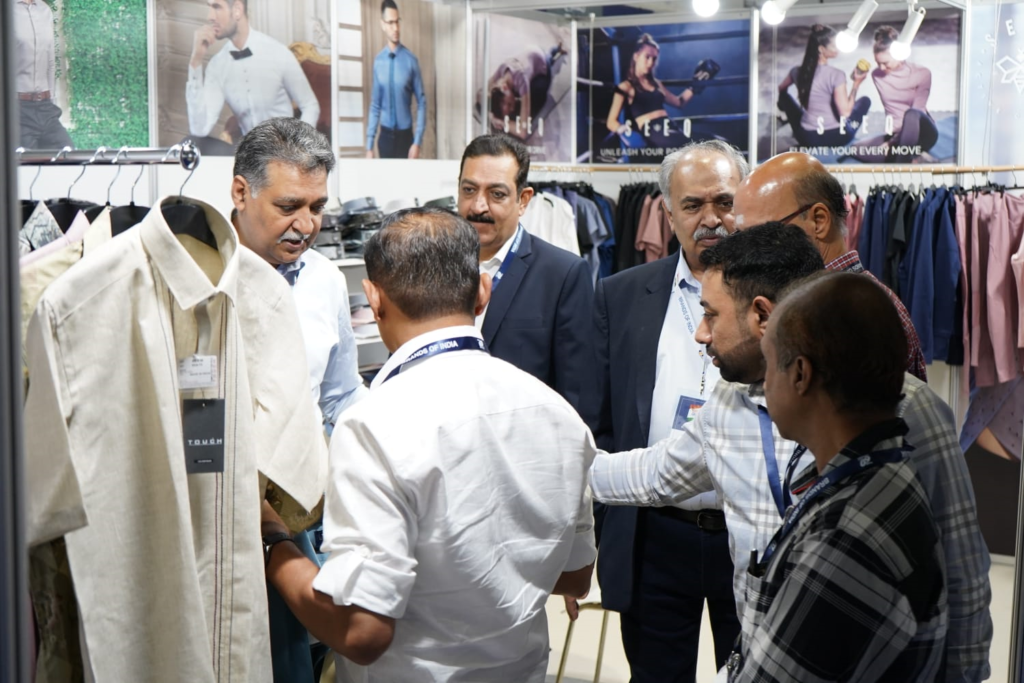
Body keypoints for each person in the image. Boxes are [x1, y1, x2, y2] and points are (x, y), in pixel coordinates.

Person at [588, 222, 992, 683]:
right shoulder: (729, 401)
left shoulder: (901, 429)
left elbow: (961, 568)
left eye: (711, 315)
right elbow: (659, 472)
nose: (701, 335)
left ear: (764, 318)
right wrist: (561, 462)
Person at [260, 207, 597, 682]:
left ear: (373, 299)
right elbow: (575, 577)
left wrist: (274, 541)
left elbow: (362, 632)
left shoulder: (373, 425)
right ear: (483, 292)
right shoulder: (558, 415)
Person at [724, 271, 947, 681]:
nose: (764, 383)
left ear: (800, 374)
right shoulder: (879, 472)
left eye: (769, 365)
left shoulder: (847, 536)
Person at [592, 140, 746, 682]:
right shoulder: (620, 295)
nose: (711, 219)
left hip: (748, 536)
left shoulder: (780, 296)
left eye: (724, 202)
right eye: (693, 205)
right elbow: (602, 420)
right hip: (653, 535)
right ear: (668, 212)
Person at [231, 117, 367, 683]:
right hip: (223, 515)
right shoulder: (198, 281)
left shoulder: (325, 281)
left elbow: (341, 395)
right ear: (241, 192)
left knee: (307, 655)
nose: (306, 225)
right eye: (289, 206)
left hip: (306, 516)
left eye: (318, 207)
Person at [732, 151, 927, 381]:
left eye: (761, 234)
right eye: (740, 237)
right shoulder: (817, 303)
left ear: (818, 221)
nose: (747, 251)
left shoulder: (853, 316)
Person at [457, 134, 596, 425]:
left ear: (523, 200)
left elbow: (578, 397)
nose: (478, 206)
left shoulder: (562, 275)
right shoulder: (436, 265)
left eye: (496, 194)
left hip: (524, 446)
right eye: (469, 190)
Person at [186, 0, 320, 148]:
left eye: (217, 7)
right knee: (191, 144)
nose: (210, 16)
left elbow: (310, 105)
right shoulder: (217, 65)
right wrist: (195, 60)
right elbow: (199, 129)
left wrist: (298, 149)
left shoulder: (277, 52)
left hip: (282, 151)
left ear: (237, 10)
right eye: (210, 7)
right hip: (248, 154)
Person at [605, 33, 718, 162]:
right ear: (636, 56)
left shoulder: (656, 83)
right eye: (647, 57)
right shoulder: (626, 86)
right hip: (654, 133)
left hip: (670, 128)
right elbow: (611, 121)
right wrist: (626, 133)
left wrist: (696, 85)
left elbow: (679, 102)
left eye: (654, 58)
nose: (650, 62)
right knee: (702, 149)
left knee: (717, 142)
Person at [776, 24, 870, 147]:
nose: (837, 49)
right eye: (834, 46)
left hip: (807, 138)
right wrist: (856, 84)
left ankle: (783, 116)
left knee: (784, 96)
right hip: (838, 137)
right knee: (865, 101)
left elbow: (781, 88)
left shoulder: (796, 71)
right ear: (821, 49)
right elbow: (845, 113)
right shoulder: (836, 75)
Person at [854, 26, 937, 163]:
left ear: (900, 56)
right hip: (896, 134)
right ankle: (915, 158)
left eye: (885, 63)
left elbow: (918, 110)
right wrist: (856, 81)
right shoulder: (877, 75)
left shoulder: (922, 73)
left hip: (922, 132)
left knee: (911, 113)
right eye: (878, 63)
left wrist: (892, 143)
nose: (881, 68)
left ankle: (902, 168)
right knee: (855, 149)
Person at [366, 0, 427, 159]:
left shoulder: (411, 61)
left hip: (406, 139)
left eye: (397, 21)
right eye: (391, 23)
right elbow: (375, 105)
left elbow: (421, 102)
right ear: (383, 24)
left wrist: (417, 142)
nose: (396, 28)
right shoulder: (378, 62)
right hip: (385, 139)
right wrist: (369, 146)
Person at [15, 0, 73, 148]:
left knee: (68, 154)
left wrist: (51, 100)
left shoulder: (44, 10)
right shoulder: (5, 10)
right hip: (17, 108)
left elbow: (50, 61)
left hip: (45, 107)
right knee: (25, 160)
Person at [487, 43, 567, 141]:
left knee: (548, 65)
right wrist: (491, 116)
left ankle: (556, 50)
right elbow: (480, 94)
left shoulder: (522, 80)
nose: (512, 108)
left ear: (504, 87)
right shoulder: (501, 72)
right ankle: (554, 50)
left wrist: (500, 122)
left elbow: (523, 132)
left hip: (542, 66)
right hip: (533, 54)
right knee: (546, 57)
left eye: (509, 104)